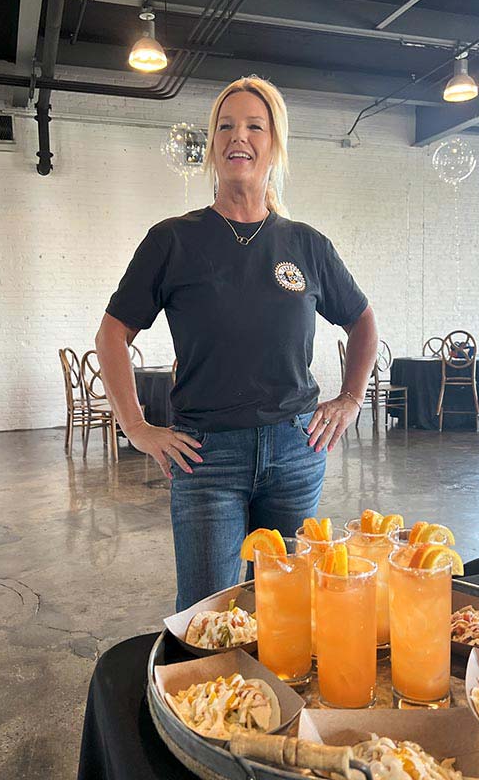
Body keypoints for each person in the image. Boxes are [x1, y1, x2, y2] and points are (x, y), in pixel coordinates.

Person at [95, 76, 378, 611]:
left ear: (275, 144)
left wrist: (350, 399)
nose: (237, 137)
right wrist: (136, 426)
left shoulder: (306, 244)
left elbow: (362, 321)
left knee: (289, 609)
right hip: (206, 458)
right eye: (225, 126)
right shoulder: (173, 240)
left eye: (254, 126)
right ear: (212, 145)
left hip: (296, 450)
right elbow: (112, 333)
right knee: (209, 616)